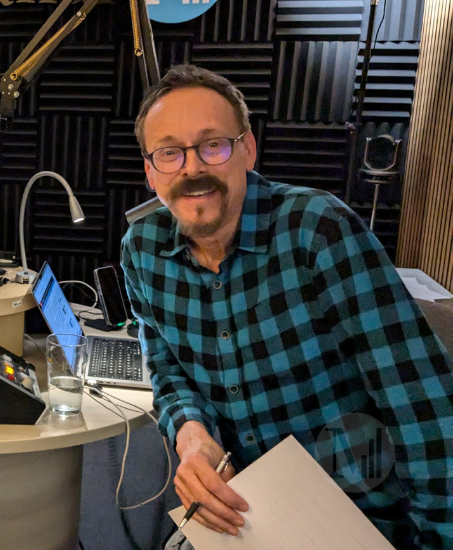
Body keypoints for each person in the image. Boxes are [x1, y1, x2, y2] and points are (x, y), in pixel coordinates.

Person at [121, 64, 452, 550]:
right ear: (151, 171)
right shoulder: (141, 251)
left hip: (363, 517)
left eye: (213, 144)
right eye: (170, 153)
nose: (192, 168)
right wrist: (191, 434)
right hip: (249, 517)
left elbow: (422, 406)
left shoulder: (318, 230)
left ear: (247, 149)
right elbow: (168, 372)